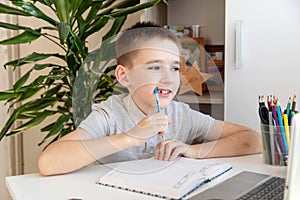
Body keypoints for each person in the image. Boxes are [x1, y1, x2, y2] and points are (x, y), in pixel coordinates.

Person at [38, 22, 262, 176]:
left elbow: (253, 140)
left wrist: (193, 150)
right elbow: (48, 163)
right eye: (155, 67)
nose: (168, 79)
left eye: (174, 68)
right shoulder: (109, 114)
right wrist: (129, 138)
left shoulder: (181, 114)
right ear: (124, 76)